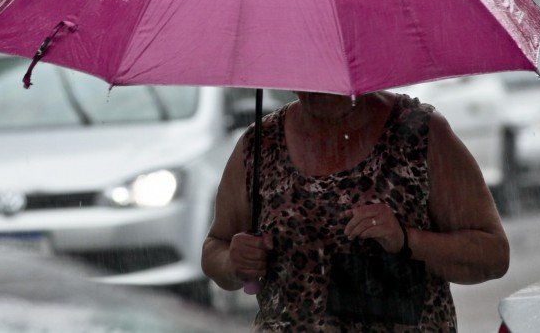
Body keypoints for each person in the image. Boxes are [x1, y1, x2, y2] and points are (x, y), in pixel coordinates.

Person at [201, 90, 509, 331]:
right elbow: (216, 247)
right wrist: (233, 261)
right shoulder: (260, 146)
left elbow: (492, 255)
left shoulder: (419, 133)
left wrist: (407, 241)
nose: (318, 90)